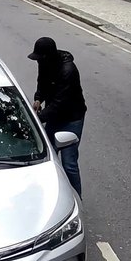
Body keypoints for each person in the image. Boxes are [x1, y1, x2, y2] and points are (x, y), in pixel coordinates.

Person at [28, 37, 87, 197]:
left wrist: (37, 118)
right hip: (54, 116)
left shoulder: (68, 71)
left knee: (69, 163)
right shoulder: (44, 63)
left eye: (40, 58)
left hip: (71, 118)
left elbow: (59, 104)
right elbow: (42, 83)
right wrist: (38, 98)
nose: (38, 61)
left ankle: (76, 198)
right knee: (47, 157)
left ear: (47, 56)